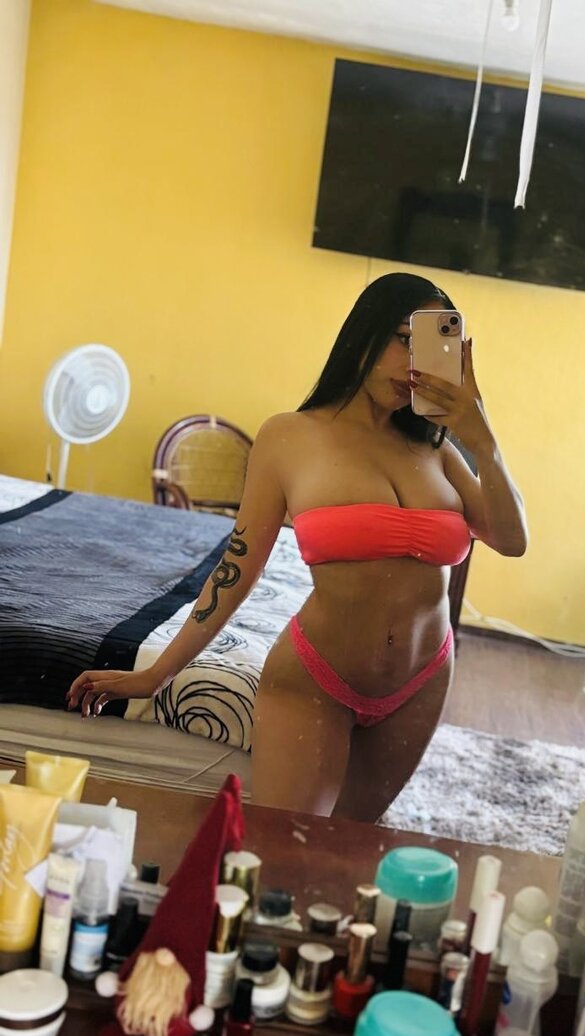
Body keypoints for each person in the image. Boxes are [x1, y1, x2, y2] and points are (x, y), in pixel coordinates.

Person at [67, 273, 528, 820]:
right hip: (316, 680)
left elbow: (512, 540)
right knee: (282, 846)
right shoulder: (289, 437)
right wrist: (156, 673)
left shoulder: (437, 448)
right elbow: (237, 568)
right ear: (363, 334)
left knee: (350, 848)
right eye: (404, 339)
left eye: (429, 346)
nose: (414, 363)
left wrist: (483, 440)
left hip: (422, 680)